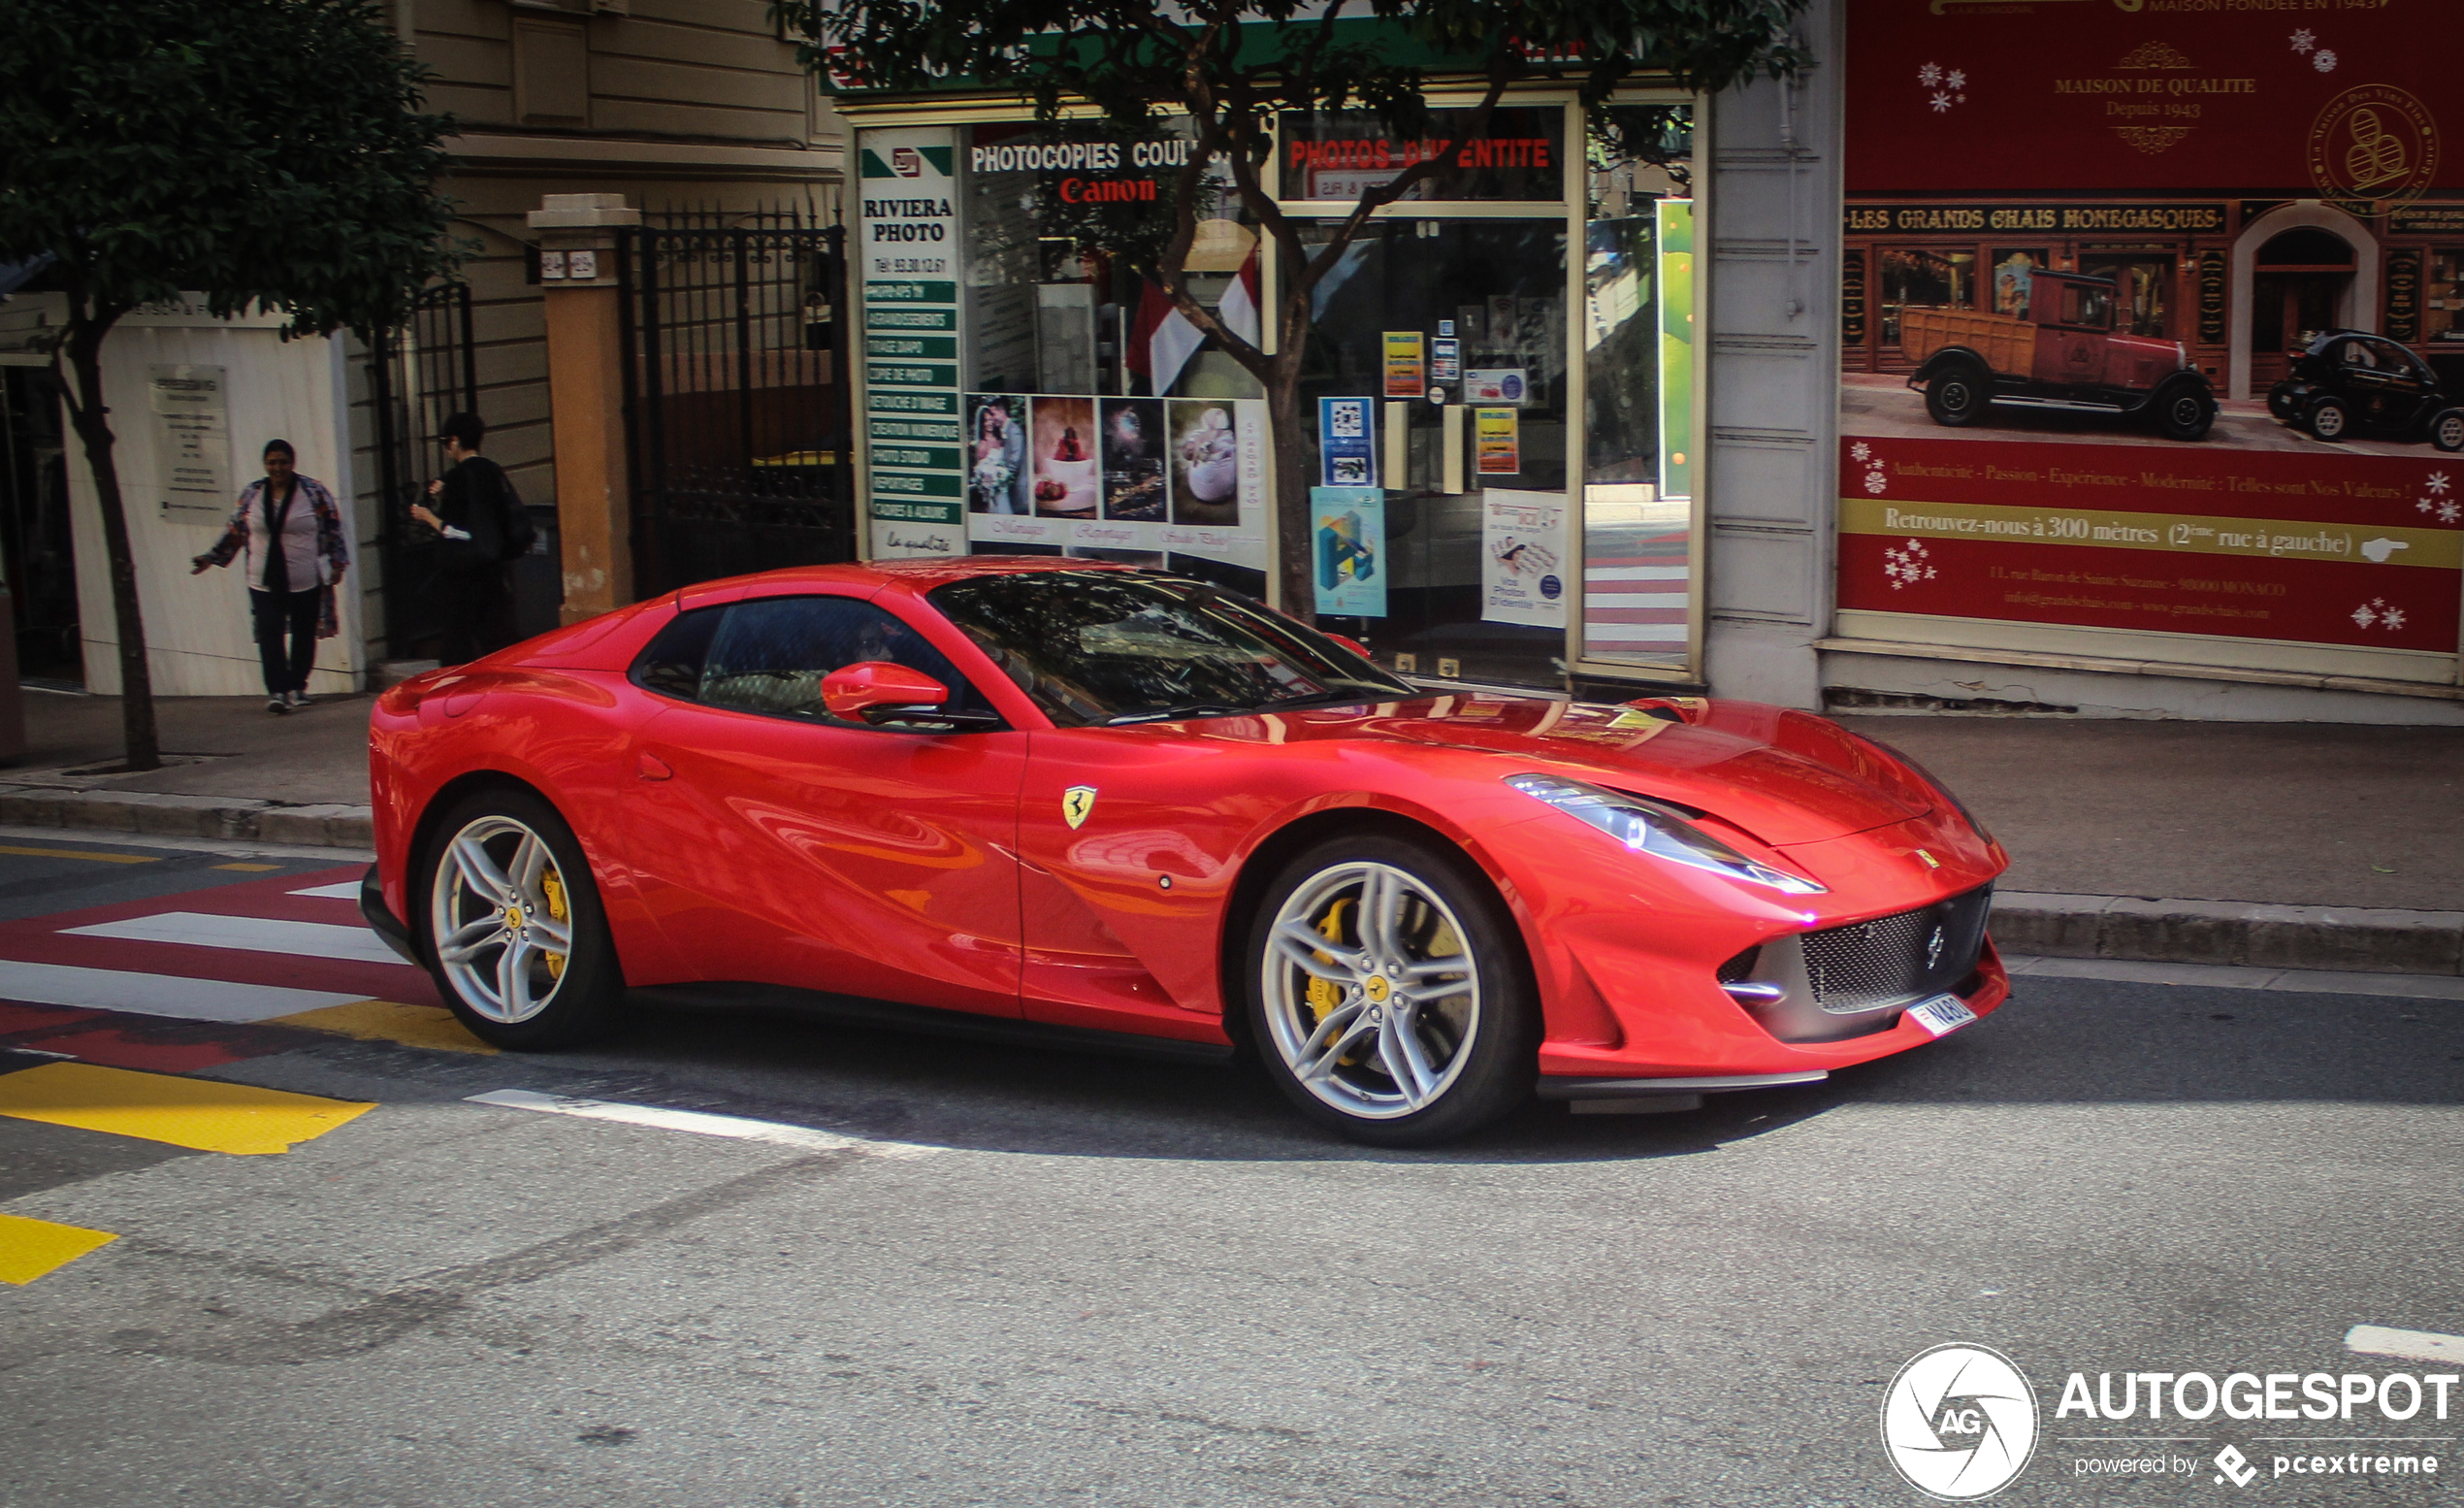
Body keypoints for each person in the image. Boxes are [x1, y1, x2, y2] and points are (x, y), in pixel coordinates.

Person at [191, 439, 348, 713]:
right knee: (270, 632)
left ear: (293, 463)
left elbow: (333, 529)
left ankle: (297, 684)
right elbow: (236, 531)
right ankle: (277, 690)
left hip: (305, 578)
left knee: (303, 634)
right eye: (272, 462)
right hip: (263, 580)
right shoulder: (252, 494)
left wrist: (337, 564)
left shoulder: (313, 492)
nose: (278, 468)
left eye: (283, 462)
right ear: (265, 464)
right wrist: (210, 557)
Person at [408, 411, 518, 665]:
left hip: (463, 569)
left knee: (458, 634)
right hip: (494, 564)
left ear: (456, 441)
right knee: (495, 633)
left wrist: (428, 516)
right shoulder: (492, 471)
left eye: (446, 442)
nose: (447, 449)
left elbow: (456, 531)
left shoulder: (458, 477)